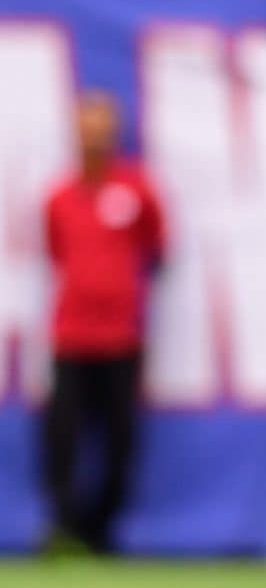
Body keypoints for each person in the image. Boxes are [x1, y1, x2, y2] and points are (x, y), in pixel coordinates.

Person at [41, 91, 165, 555]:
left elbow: (157, 246)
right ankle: (63, 525)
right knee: (62, 436)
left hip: (120, 337)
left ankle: (102, 530)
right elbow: (55, 251)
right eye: (85, 127)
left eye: (101, 127)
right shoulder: (60, 196)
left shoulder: (136, 190)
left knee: (119, 438)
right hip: (71, 335)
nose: (93, 137)